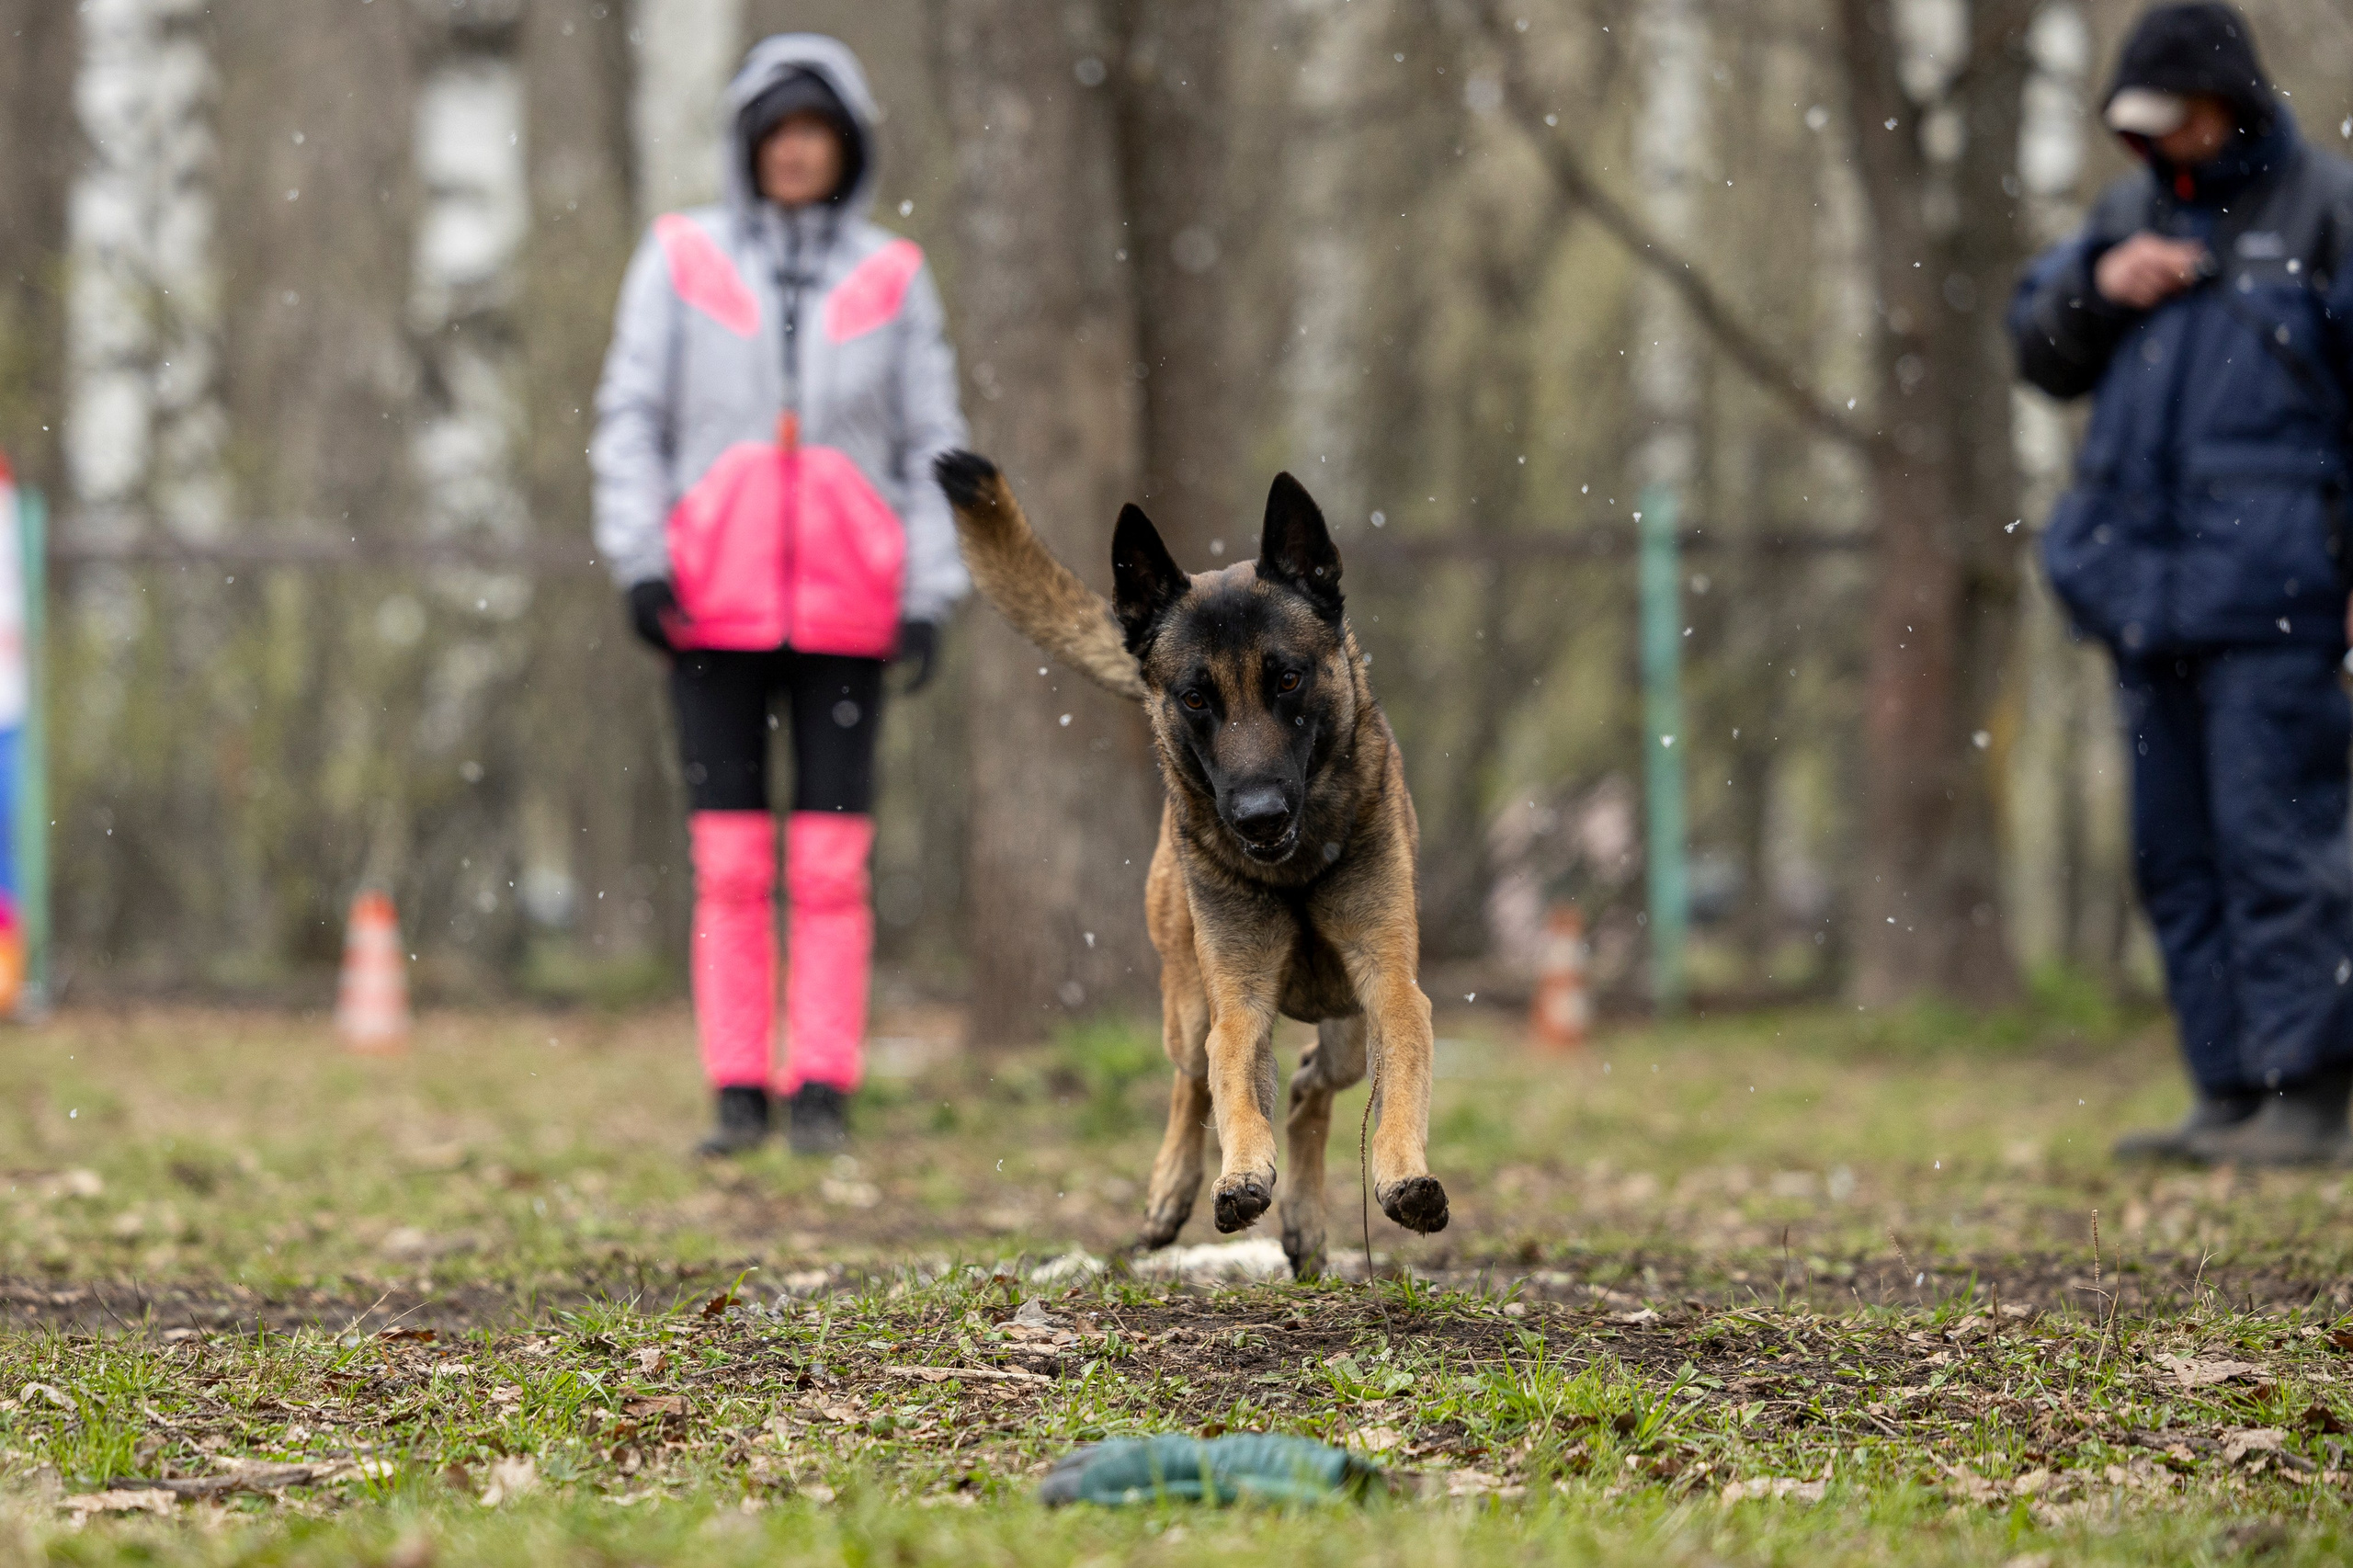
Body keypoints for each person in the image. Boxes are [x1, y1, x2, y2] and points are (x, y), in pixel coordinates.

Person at [592, 35, 968, 1157]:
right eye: (777, 130)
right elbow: (630, 419)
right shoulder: (678, 259)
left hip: (852, 612)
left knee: (831, 864)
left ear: (846, 148)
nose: (795, 150)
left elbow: (931, 442)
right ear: (747, 144)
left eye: (816, 132)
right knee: (731, 859)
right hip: (710, 607)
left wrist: (930, 586)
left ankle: (822, 1088)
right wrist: (639, 557)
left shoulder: (891, 276)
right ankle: (736, 1088)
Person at [2011, 3, 2353, 1165]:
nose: (2153, 149)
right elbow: (2037, 351)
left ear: (2229, 102)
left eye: (2172, 123)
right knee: (2175, 857)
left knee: (2278, 847)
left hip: (2279, 603)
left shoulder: (2326, 211)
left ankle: (2305, 1093)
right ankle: (2224, 1092)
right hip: (2143, 603)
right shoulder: (2127, 218)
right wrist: (2102, 283)